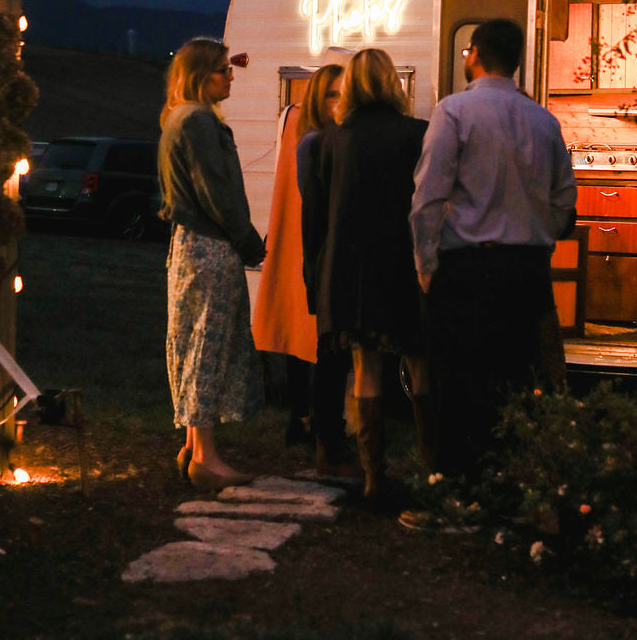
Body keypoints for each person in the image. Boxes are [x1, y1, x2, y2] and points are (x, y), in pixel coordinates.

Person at [409, 17, 577, 487]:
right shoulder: (544, 120)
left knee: (458, 382)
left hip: (468, 266)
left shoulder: (453, 112)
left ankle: (454, 486)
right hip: (527, 270)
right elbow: (565, 199)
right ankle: (509, 483)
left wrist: (425, 264)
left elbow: (427, 198)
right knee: (516, 379)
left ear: (477, 54)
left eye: (467, 52)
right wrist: (536, 232)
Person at [303, 48, 432, 504]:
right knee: (419, 365)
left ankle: (374, 476)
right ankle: (433, 471)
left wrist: (314, 281)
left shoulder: (329, 142)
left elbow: (315, 222)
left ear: (353, 87)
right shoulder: (418, 134)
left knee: (366, 369)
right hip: (403, 264)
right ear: (393, 84)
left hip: (349, 273)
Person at [159, 37, 265, 495]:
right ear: (201, 76)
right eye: (223, 70)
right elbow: (216, 190)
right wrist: (248, 240)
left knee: (191, 339)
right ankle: (205, 457)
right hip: (210, 246)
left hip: (188, 245)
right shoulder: (199, 121)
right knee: (209, 344)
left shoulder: (176, 117)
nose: (231, 77)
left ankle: (191, 446)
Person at [251, 61, 353, 472]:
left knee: (308, 332)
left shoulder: (298, 124)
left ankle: (305, 418)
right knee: (305, 332)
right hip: (304, 239)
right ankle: (305, 417)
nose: (337, 103)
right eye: (330, 95)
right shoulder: (316, 134)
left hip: (302, 239)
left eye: (342, 95)